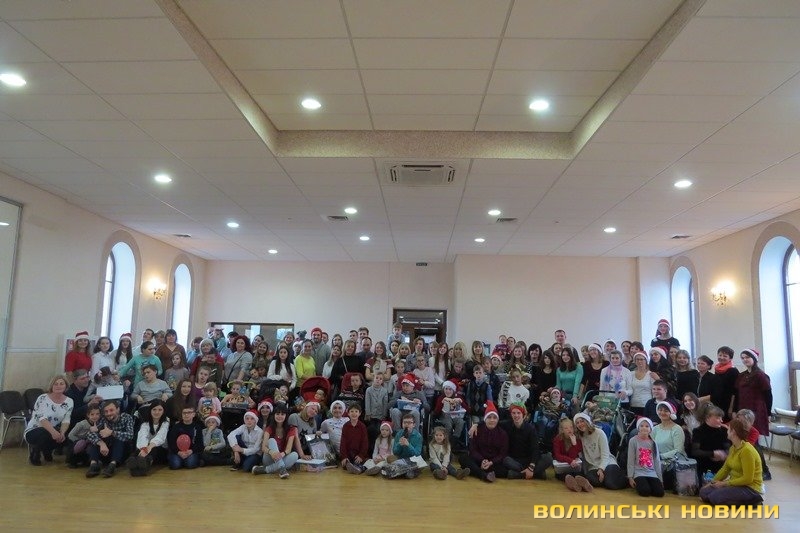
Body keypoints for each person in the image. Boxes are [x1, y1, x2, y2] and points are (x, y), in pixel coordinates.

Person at [699, 418, 764, 505]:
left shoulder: (747, 451)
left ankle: (754, 501)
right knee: (704, 492)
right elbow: (725, 469)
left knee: (715, 497)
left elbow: (748, 479)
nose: (727, 431)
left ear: (733, 431)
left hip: (750, 488)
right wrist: (712, 482)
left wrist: (724, 484)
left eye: (729, 428)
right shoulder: (733, 448)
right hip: (735, 484)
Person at [24, 375, 74, 465]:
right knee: (46, 433)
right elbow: (42, 418)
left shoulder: (69, 401)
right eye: (56, 384)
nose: (58, 386)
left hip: (53, 430)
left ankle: (47, 449)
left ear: (66, 386)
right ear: (51, 386)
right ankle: (35, 453)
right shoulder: (42, 398)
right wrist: (54, 433)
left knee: (67, 437)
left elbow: (66, 420)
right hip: (35, 430)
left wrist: (62, 433)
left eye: (61, 384)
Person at [573, 412, 627, 489]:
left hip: (607, 463)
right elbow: (583, 457)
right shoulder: (580, 437)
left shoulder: (599, 433)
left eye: (582, 421)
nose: (580, 424)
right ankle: (608, 478)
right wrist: (585, 472)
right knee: (591, 479)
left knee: (610, 483)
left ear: (587, 421)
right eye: (577, 423)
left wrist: (601, 469)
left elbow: (605, 455)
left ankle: (624, 478)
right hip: (593, 467)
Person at [500, 403, 551, 480]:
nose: (516, 415)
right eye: (514, 413)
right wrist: (480, 424)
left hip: (529, 459)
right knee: (505, 460)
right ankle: (536, 474)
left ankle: (518, 475)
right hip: (515, 461)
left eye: (518, 413)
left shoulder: (531, 429)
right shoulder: (506, 424)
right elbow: (493, 422)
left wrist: (531, 467)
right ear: (511, 414)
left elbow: (535, 448)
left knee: (548, 458)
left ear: (523, 414)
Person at [460, 401, 507, 483]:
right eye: (489, 417)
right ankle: (483, 475)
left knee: (504, 469)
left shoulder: (503, 433)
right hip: (479, 460)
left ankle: (477, 472)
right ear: (485, 419)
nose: (492, 420)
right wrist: (482, 460)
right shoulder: (477, 430)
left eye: (494, 418)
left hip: (493, 462)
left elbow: (502, 453)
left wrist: (491, 462)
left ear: (497, 420)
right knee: (463, 458)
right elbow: (473, 449)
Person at [85, 400, 134, 478]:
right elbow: (89, 434)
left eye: (111, 410)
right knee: (96, 440)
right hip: (107, 450)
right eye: (106, 411)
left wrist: (112, 432)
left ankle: (112, 466)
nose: (108, 413)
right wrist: (101, 443)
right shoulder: (104, 419)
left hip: (122, 451)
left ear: (118, 409)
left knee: (118, 439)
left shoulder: (127, 417)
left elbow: (130, 435)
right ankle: (93, 465)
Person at [252, 403, 298, 478]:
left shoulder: (291, 429)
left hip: (282, 457)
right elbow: (263, 448)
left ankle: (267, 469)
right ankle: (281, 468)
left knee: (295, 455)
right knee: (272, 440)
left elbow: (288, 449)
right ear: (274, 415)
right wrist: (272, 452)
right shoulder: (269, 428)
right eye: (277, 414)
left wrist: (282, 454)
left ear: (286, 416)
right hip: (269, 457)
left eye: (282, 414)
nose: (280, 416)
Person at [733, 349, 772, 437]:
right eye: (742, 358)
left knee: (753, 435)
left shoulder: (761, 375)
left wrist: (769, 413)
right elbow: (737, 394)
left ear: (754, 358)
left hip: (756, 409)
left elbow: (768, 395)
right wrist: (734, 410)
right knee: (742, 434)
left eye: (747, 357)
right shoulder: (741, 376)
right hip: (742, 408)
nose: (745, 360)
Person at [128, 399, 169, 476]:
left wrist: (148, 448)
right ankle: (134, 466)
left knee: (153, 448)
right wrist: (143, 449)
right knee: (138, 450)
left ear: (164, 411)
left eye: (160, 410)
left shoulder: (166, 423)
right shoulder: (145, 424)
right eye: (154, 409)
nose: (157, 412)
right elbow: (142, 436)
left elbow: (160, 437)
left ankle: (145, 465)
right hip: (146, 450)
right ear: (150, 411)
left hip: (161, 451)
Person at [651, 400, 685, 490]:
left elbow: (679, 450)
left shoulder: (677, 429)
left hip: (672, 462)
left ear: (671, 413)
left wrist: (661, 456)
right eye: (660, 410)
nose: (662, 412)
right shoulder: (655, 429)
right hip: (657, 460)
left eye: (666, 411)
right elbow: (650, 446)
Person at [627, 418, 665, 497]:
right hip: (638, 472)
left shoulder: (653, 442)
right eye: (641, 426)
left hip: (651, 472)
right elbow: (630, 460)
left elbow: (657, 461)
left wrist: (660, 479)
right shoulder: (633, 441)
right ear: (638, 428)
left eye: (647, 426)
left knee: (659, 493)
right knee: (645, 491)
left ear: (650, 429)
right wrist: (630, 477)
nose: (644, 428)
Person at [691, 405, 730, 476]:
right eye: (718, 418)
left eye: (721, 418)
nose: (721, 421)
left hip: (722, 467)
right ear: (708, 418)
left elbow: (728, 447)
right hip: (703, 467)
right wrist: (713, 453)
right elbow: (695, 451)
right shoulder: (698, 431)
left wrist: (725, 454)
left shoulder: (724, 430)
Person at [736, 409, 771, 481]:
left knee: (756, 449)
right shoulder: (735, 425)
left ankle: (765, 471)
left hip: (747, 448)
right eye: (738, 419)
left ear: (750, 422)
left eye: (743, 421)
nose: (739, 422)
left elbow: (748, 446)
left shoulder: (754, 432)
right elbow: (725, 425)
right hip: (738, 447)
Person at [166, 405, 203, 470]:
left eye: (189, 412)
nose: (186, 415)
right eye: (184, 413)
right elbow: (171, 442)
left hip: (191, 451)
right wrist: (179, 452)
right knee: (175, 465)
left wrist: (191, 451)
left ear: (193, 414)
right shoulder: (176, 427)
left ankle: (186, 461)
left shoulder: (197, 427)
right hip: (177, 452)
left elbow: (200, 444)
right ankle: (181, 461)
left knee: (190, 464)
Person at [433, 379, 466, 449]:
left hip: (456, 416)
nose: (447, 391)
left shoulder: (458, 397)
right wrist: (441, 403)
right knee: (448, 423)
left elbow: (468, 410)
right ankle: (447, 441)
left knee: (460, 422)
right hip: (444, 416)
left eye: (450, 389)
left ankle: (454, 441)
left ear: (453, 390)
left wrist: (461, 402)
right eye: (446, 389)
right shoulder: (441, 397)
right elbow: (436, 412)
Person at [553, 418, 585, 487]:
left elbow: (573, 456)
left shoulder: (577, 439)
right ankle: (573, 486)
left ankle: (583, 485)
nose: (569, 430)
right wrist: (569, 461)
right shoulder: (557, 439)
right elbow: (557, 455)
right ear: (562, 430)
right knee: (564, 475)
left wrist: (574, 444)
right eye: (566, 428)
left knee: (578, 474)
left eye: (571, 427)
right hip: (562, 466)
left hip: (574, 466)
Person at [341, 403, 370, 474]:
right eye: (352, 411)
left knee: (364, 462)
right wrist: (344, 456)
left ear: (359, 413)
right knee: (346, 463)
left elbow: (365, 442)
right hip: (349, 454)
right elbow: (343, 442)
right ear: (348, 413)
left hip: (359, 454)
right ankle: (353, 467)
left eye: (356, 411)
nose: (354, 413)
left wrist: (361, 455)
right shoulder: (345, 426)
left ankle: (359, 468)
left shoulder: (362, 426)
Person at [712, 346, 739, 421]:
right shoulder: (717, 369)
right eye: (720, 355)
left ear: (730, 358)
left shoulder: (733, 371)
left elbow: (735, 392)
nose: (722, 357)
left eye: (725, 356)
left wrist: (731, 408)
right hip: (716, 404)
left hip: (727, 405)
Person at [629, 351, 652, 416]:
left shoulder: (651, 374)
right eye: (637, 359)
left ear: (646, 361)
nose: (639, 361)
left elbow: (654, 391)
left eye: (641, 359)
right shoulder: (631, 374)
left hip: (647, 405)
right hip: (633, 405)